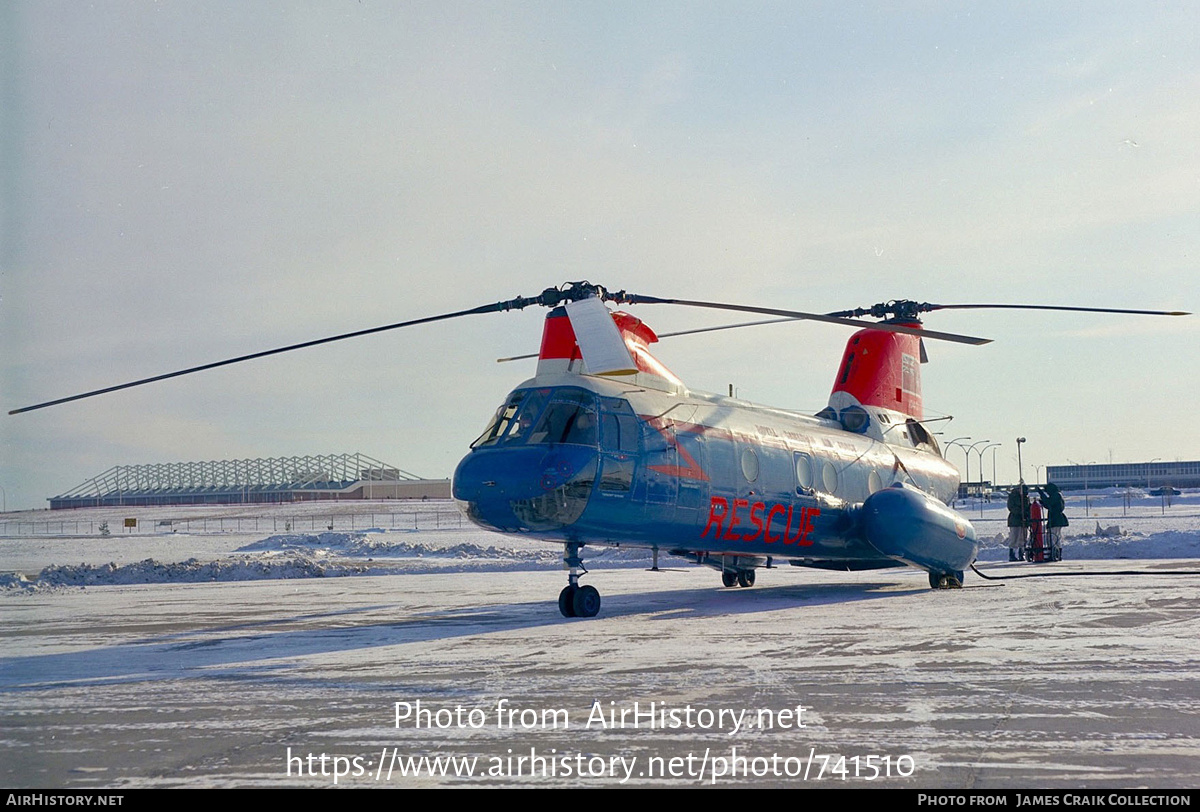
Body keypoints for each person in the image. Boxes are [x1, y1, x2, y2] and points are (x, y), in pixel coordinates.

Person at [1036, 482, 1068, 560]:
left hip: (1055, 519)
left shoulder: (1056, 495)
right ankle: (1056, 554)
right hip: (1055, 519)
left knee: (1053, 537)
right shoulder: (1057, 495)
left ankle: (1055, 554)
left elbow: (1049, 502)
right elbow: (1050, 505)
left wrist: (1041, 494)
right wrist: (1043, 503)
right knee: (1054, 537)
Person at [1007, 483, 1030, 561]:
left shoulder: (1026, 497)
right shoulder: (1013, 496)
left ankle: (1021, 553)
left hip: (1024, 520)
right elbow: (1011, 507)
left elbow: (1027, 507)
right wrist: (1020, 512)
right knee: (1014, 537)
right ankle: (1012, 553)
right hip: (1015, 520)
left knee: (1023, 537)